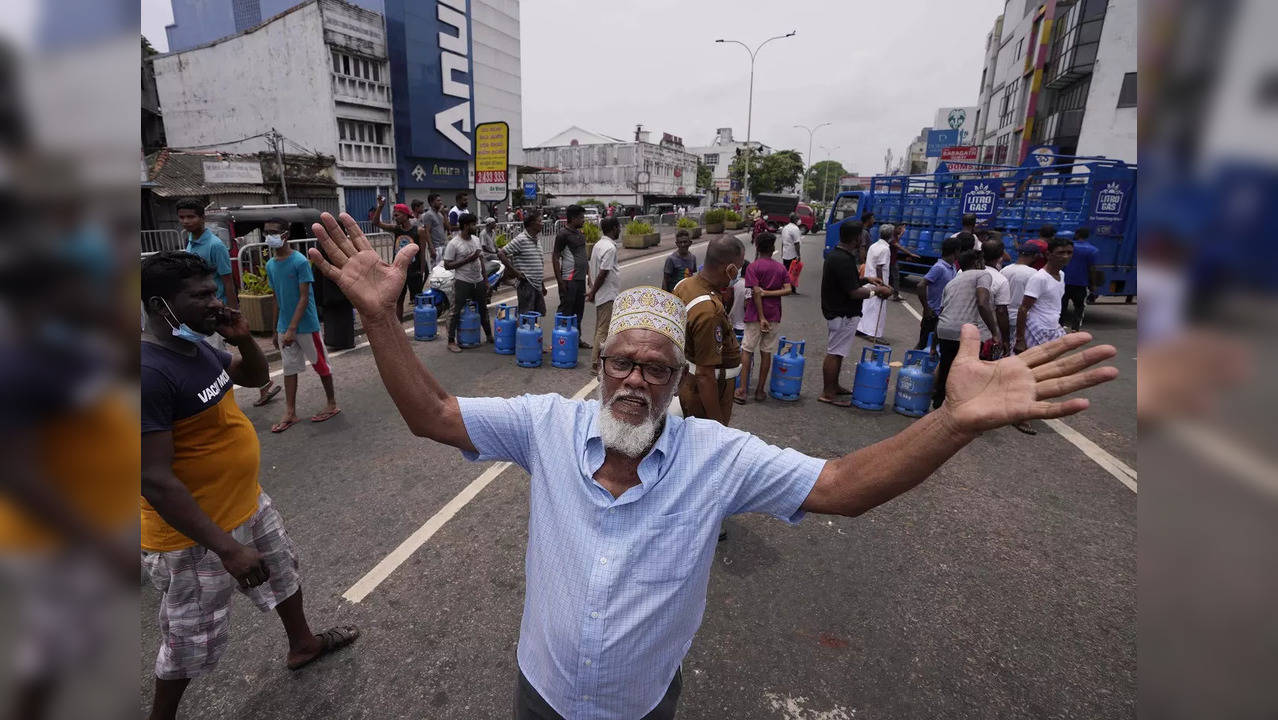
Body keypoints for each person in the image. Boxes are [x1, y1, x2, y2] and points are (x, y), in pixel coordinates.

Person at [303, 211, 1116, 720]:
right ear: (599, 361)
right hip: (540, 700)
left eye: (656, 369)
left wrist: (953, 421)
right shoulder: (545, 426)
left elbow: (842, 488)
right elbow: (434, 416)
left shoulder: (717, 456)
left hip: (645, 708)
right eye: (621, 362)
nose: (634, 381)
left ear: (677, 380)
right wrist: (380, 319)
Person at [141, 252, 357, 720]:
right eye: (199, 296)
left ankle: (303, 644)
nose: (214, 302)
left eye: (213, 290)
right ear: (162, 306)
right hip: (194, 537)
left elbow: (255, 377)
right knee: (189, 638)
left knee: (283, 573)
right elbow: (154, 480)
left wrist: (243, 340)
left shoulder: (196, 346)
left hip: (247, 505)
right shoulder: (148, 373)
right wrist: (226, 548)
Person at [176, 198, 280, 406]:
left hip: (215, 312)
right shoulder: (189, 243)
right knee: (213, 358)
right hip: (199, 314)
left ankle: (227, 403)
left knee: (215, 361)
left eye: (191, 216)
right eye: (182, 217)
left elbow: (227, 280)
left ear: (202, 218)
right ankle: (261, 386)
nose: (186, 221)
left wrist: (232, 311)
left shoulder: (215, 246)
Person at [264, 221, 341, 432]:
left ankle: (331, 403)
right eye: (266, 232)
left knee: (321, 365)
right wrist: (275, 329)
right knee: (289, 368)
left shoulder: (299, 261)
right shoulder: (270, 265)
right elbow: (276, 298)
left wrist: (292, 328)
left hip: (306, 326)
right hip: (284, 327)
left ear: (285, 235)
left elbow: (304, 297)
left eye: (273, 232)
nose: (269, 236)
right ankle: (290, 411)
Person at [673, 236, 744, 427]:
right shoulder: (708, 312)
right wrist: (717, 426)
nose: (739, 272)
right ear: (729, 269)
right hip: (706, 392)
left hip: (689, 382)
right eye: (738, 267)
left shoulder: (684, 285)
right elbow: (706, 375)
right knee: (704, 445)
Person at [820, 221, 890, 406]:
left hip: (842, 312)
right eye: (861, 236)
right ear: (855, 238)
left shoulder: (840, 255)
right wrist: (877, 292)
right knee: (834, 353)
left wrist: (866, 279)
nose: (863, 239)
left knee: (838, 352)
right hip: (841, 314)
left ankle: (833, 386)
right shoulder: (842, 259)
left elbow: (848, 282)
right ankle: (828, 393)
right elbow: (853, 292)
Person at [933, 249, 1000, 410]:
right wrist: (995, 332)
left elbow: (942, 311)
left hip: (944, 329)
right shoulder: (982, 275)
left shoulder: (953, 281)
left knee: (946, 367)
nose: (984, 264)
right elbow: (983, 302)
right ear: (976, 262)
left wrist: (934, 341)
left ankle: (938, 404)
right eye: (982, 261)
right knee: (966, 372)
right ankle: (959, 409)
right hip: (964, 332)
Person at [734, 232, 791, 405]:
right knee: (766, 352)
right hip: (774, 315)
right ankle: (760, 390)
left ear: (757, 247)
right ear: (773, 248)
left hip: (754, 316)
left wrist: (761, 316)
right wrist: (771, 294)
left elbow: (756, 293)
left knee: (747, 350)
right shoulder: (780, 268)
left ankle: (743, 390)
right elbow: (788, 289)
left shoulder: (753, 267)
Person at [443, 213, 495, 352]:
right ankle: (451, 341)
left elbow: (481, 261)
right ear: (466, 226)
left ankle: (489, 336)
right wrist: (468, 259)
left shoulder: (476, 240)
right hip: (462, 281)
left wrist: (486, 281)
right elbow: (447, 265)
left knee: (483, 308)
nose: (475, 227)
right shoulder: (454, 243)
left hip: (477, 281)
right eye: (473, 224)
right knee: (456, 311)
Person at [1016, 236, 1074, 354]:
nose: (1066, 256)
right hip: (1036, 330)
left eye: (1069, 252)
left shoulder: (1061, 275)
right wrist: (1020, 340)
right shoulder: (1040, 278)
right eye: (1061, 253)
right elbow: (1023, 309)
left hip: (1052, 329)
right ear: (1048, 255)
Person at [552, 205, 592, 350]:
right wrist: (559, 280)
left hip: (580, 279)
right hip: (568, 280)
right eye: (581, 217)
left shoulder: (580, 234)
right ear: (573, 218)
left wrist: (589, 276)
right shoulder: (563, 235)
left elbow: (583, 257)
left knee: (578, 311)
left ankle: (576, 338)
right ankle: (560, 339)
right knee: (565, 310)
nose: (583, 220)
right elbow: (555, 257)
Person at [586, 217, 621, 373]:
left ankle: (597, 360)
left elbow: (592, 267)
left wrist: (592, 287)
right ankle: (596, 364)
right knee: (603, 330)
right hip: (606, 293)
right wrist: (592, 292)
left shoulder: (598, 245)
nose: (620, 230)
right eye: (618, 227)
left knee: (600, 327)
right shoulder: (610, 248)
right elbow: (603, 272)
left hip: (601, 292)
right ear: (613, 228)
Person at [915, 236, 962, 350]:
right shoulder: (939, 268)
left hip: (944, 315)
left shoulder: (953, 268)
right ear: (955, 251)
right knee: (923, 345)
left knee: (935, 348)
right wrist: (926, 308)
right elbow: (921, 285)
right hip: (933, 315)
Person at [500, 215, 548, 319]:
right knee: (525, 315)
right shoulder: (521, 239)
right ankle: (522, 335)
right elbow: (501, 253)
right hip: (526, 283)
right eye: (539, 221)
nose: (542, 223)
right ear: (531, 224)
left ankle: (532, 334)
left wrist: (542, 284)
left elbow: (538, 263)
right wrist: (515, 271)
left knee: (535, 314)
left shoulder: (536, 240)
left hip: (536, 284)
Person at [1002, 239, 1047, 347]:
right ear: (1035, 256)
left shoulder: (1005, 270)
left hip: (1003, 317)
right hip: (1021, 319)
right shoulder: (1034, 274)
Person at [857, 224, 894, 343]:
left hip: (870, 279)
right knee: (877, 309)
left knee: (867, 307)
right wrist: (882, 285)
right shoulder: (885, 249)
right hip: (877, 282)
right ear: (891, 236)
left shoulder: (874, 246)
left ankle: (861, 328)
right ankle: (873, 334)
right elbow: (879, 267)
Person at [980, 237, 1013, 359]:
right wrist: (1006, 340)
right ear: (1000, 257)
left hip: (961, 332)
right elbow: (1001, 312)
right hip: (985, 336)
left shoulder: (963, 271)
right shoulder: (1001, 280)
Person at [1062, 227, 1098, 331]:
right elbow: (1092, 268)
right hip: (1081, 284)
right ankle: (1075, 328)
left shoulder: (1068, 247)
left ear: (1077, 234)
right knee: (1079, 307)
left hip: (1065, 281)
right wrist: (1093, 285)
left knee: (1061, 306)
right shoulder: (1093, 250)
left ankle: (1059, 326)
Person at [888, 223, 920, 301]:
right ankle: (884, 293)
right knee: (889, 277)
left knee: (896, 277)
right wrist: (910, 254)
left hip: (893, 261)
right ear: (894, 229)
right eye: (899, 229)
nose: (900, 230)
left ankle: (895, 295)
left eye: (900, 229)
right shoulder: (891, 237)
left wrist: (902, 232)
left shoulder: (895, 236)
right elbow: (899, 246)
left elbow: (898, 239)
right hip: (888, 261)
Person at [420, 193, 449, 269]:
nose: (441, 202)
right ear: (432, 202)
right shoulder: (428, 215)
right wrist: (431, 248)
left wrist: (444, 214)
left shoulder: (440, 214)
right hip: (436, 247)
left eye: (440, 200)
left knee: (443, 269)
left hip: (443, 245)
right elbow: (427, 232)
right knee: (436, 269)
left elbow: (447, 227)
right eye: (438, 200)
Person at [779, 213, 803, 291]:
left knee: (786, 271)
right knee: (792, 272)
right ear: (795, 220)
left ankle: (787, 287)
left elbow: (783, 241)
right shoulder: (795, 229)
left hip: (786, 253)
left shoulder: (785, 227)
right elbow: (796, 243)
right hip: (792, 253)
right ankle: (791, 288)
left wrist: (782, 251)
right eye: (798, 219)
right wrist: (798, 255)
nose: (799, 220)